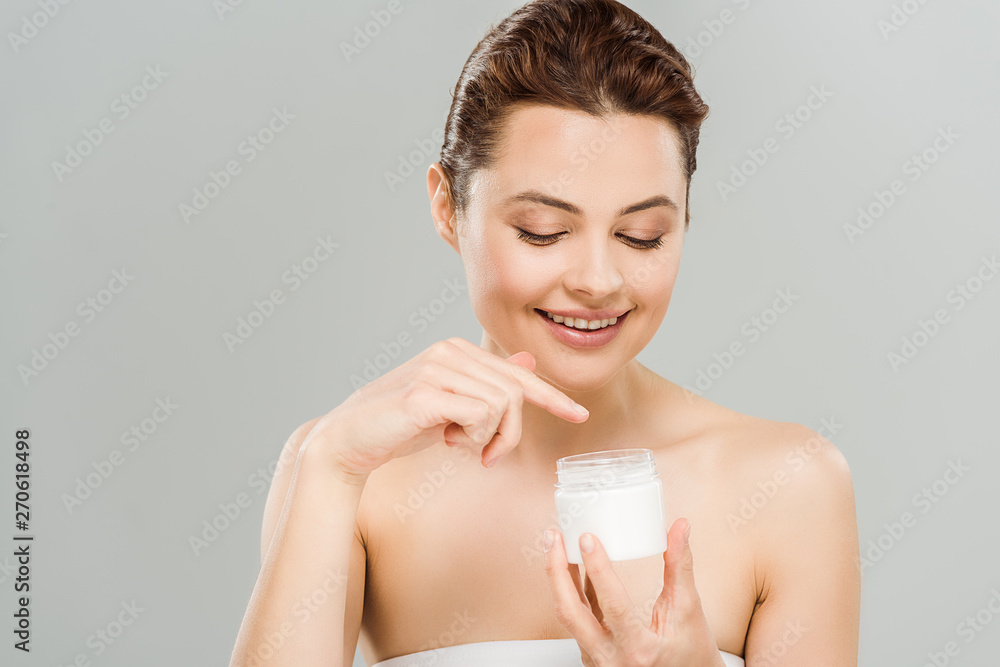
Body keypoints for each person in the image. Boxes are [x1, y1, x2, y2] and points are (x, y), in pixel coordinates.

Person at [230, 0, 861, 665]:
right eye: (543, 231)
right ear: (447, 209)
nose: (597, 279)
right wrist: (330, 465)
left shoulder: (791, 483)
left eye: (640, 235)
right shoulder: (352, 474)